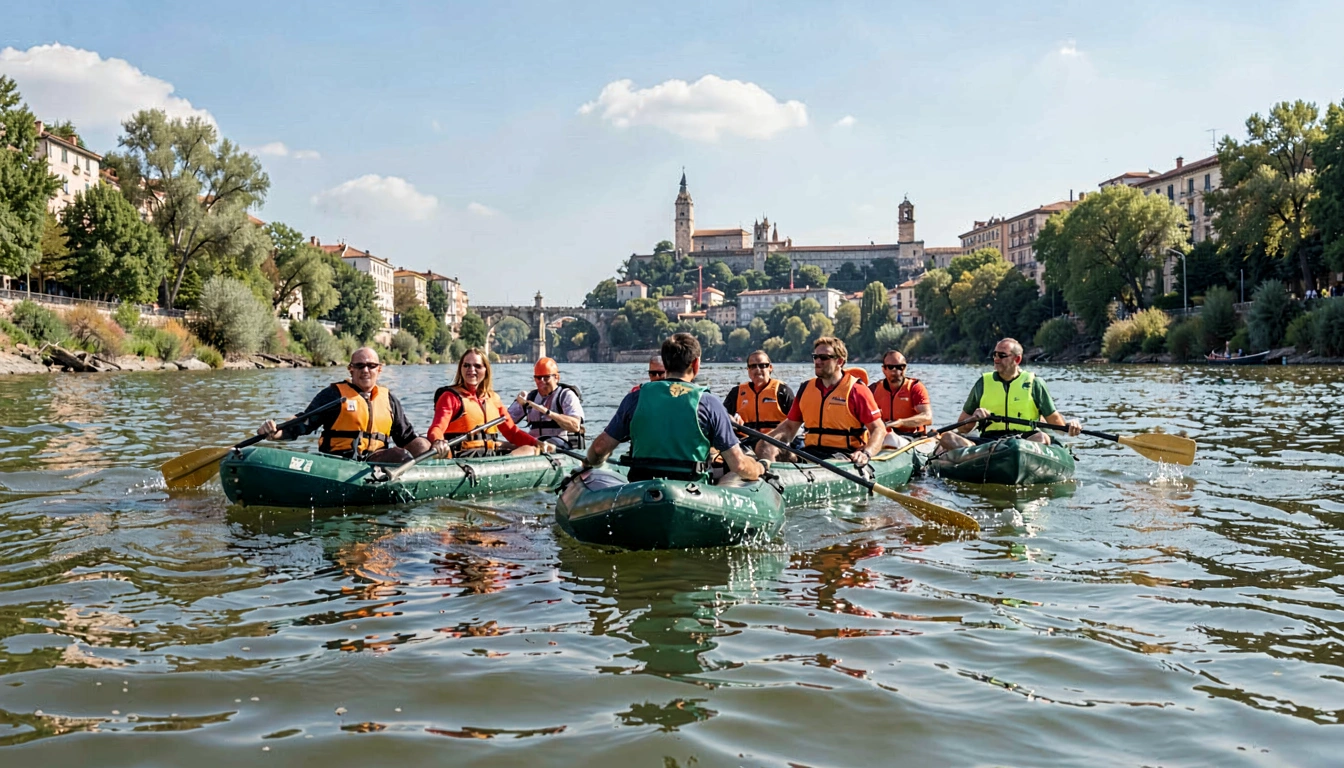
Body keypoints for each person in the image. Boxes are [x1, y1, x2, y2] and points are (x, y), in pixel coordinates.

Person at [587, 333, 763, 484]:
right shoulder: (710, 403)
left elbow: (599, 449)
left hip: (641, 487)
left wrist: (589, 463)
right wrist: (759, 467)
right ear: (696, 364)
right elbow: (739, 465)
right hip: (691, 490)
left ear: (665, 364)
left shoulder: (635, 398)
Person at [257, 347, 431, 462]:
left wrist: (432, 446)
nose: (365, 370)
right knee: (398, 455)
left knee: (417, 447)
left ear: (379, 369)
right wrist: (276, 432)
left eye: (371, 366)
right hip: (339, 462)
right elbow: (303, 423)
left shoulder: (389, 400)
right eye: (360, 366)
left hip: (376, 462)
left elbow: (406, 438)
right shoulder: (333, 395)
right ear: (351, 369)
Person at [755, 337, 888, 468]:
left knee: (825, 464)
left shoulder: (857, 390)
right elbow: (790, 427)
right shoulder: (806, 388)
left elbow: (878, 429)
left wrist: (866, 453)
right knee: (765, 446)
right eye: (815, 357)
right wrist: (768, 442)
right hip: (810, 453)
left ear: (839, 361)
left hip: (843, 456)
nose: (818, 361)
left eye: (824, 357)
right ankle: (772, 477)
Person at [938, 338, 1081, 452]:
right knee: (947, 437)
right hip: (988, 440)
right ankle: (981, 456)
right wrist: (974, 418)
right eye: (995, 354)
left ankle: (999, 456)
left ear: (1017, 360)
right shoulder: (983, 383)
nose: (996, 359)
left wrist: (1070, 426)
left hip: (1024, 440)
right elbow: (962, 428)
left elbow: (1056, 423)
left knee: (1042, 437)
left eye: (1002, 355)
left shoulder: (1035, 384)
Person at [427, 348, 550, 458]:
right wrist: (438, 441)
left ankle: (505, 465)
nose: (471, 370)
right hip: (462, 456)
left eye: (477, 366)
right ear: (461, 368)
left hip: (490, 455)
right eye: (466, 365)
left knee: (530, 449)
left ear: (486, 370)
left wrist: (536, 443)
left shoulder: (493, 399)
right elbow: (437, 428)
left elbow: (513, 433)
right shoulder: (450, 397)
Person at [723, 350, 795, 452]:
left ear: (770, 368)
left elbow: (796, 422)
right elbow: (721, 417)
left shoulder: (782, 391)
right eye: (753, 366)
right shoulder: (736, 392)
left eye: (762, 365)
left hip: (775, 443)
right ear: (748, 370)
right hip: (745, 442)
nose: (757, 370)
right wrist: (730, 419)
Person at [509, 357, 585, 449]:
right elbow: (504, 420)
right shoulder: (530, 397)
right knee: (503, 445)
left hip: (560, 443)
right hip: (534, 442)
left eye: (546, 377)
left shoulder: (566, 395)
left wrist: (548, 412)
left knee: (539, 445)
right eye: (538, 378)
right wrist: (519, 403)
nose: (542, 381)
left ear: (557, 378)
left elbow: (575, 426)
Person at [870, 349, 932, 448]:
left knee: (890, 438)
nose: (896, 371)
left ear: (905, 368)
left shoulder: (915, 388)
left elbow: (927, 418)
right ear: (884, 369)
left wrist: (900, 422)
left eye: (900, 367)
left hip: (913, 439)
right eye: (891, 367)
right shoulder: (874, 389)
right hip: (884, 436)